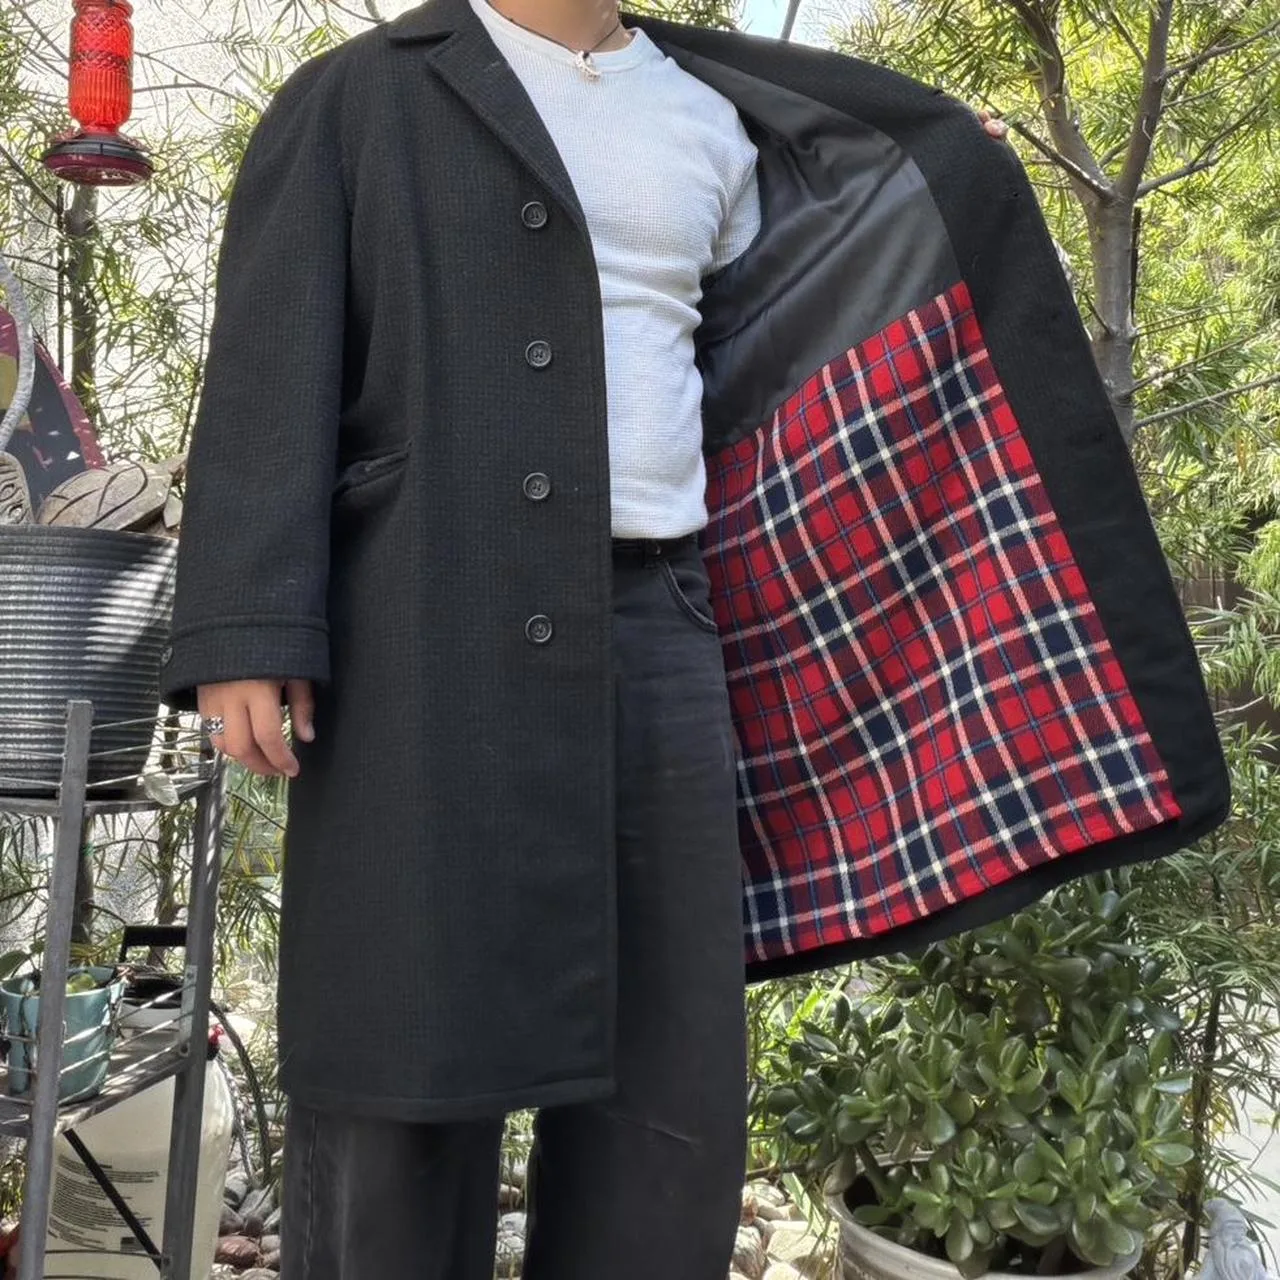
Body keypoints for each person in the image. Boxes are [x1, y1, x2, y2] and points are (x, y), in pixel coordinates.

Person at [160, 0, 1229, 1275]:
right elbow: (268, 362)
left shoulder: (710, 111)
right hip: (420, 633)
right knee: (404, 1069)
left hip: (660, 625)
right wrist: (246, 622)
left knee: (668, 1081)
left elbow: (813, 291)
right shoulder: (355, 100)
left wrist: (939, 165)